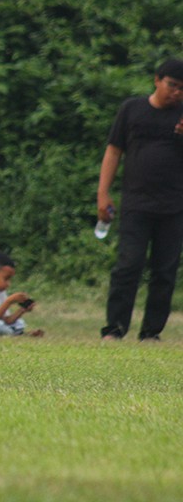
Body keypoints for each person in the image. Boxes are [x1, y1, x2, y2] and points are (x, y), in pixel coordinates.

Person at [98, 59, 183, 342]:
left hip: (174, 206)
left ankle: (151, 332)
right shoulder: (132, 109)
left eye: (182, 89)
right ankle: (114, 328)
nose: (176, 93)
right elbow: (113, 151)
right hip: (136, 204)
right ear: (157, 80)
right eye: (172, 85)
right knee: (128, 265)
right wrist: (103, 193)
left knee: (164, 271)